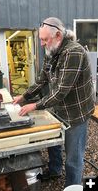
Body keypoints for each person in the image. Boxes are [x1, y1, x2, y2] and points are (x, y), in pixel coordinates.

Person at [13, 17, 95, 187]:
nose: (42, 44)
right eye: (41, 40)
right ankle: (55, 170)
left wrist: (35, 105)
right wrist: (24, 97)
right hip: (58, 109)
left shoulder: (74, 52)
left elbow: (61, 91)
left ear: (58, 35)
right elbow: (42, 80)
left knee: (73, 157)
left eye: (44, 40)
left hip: (76, 113)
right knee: (54, 143)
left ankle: (72, 187)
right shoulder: (51, 50)